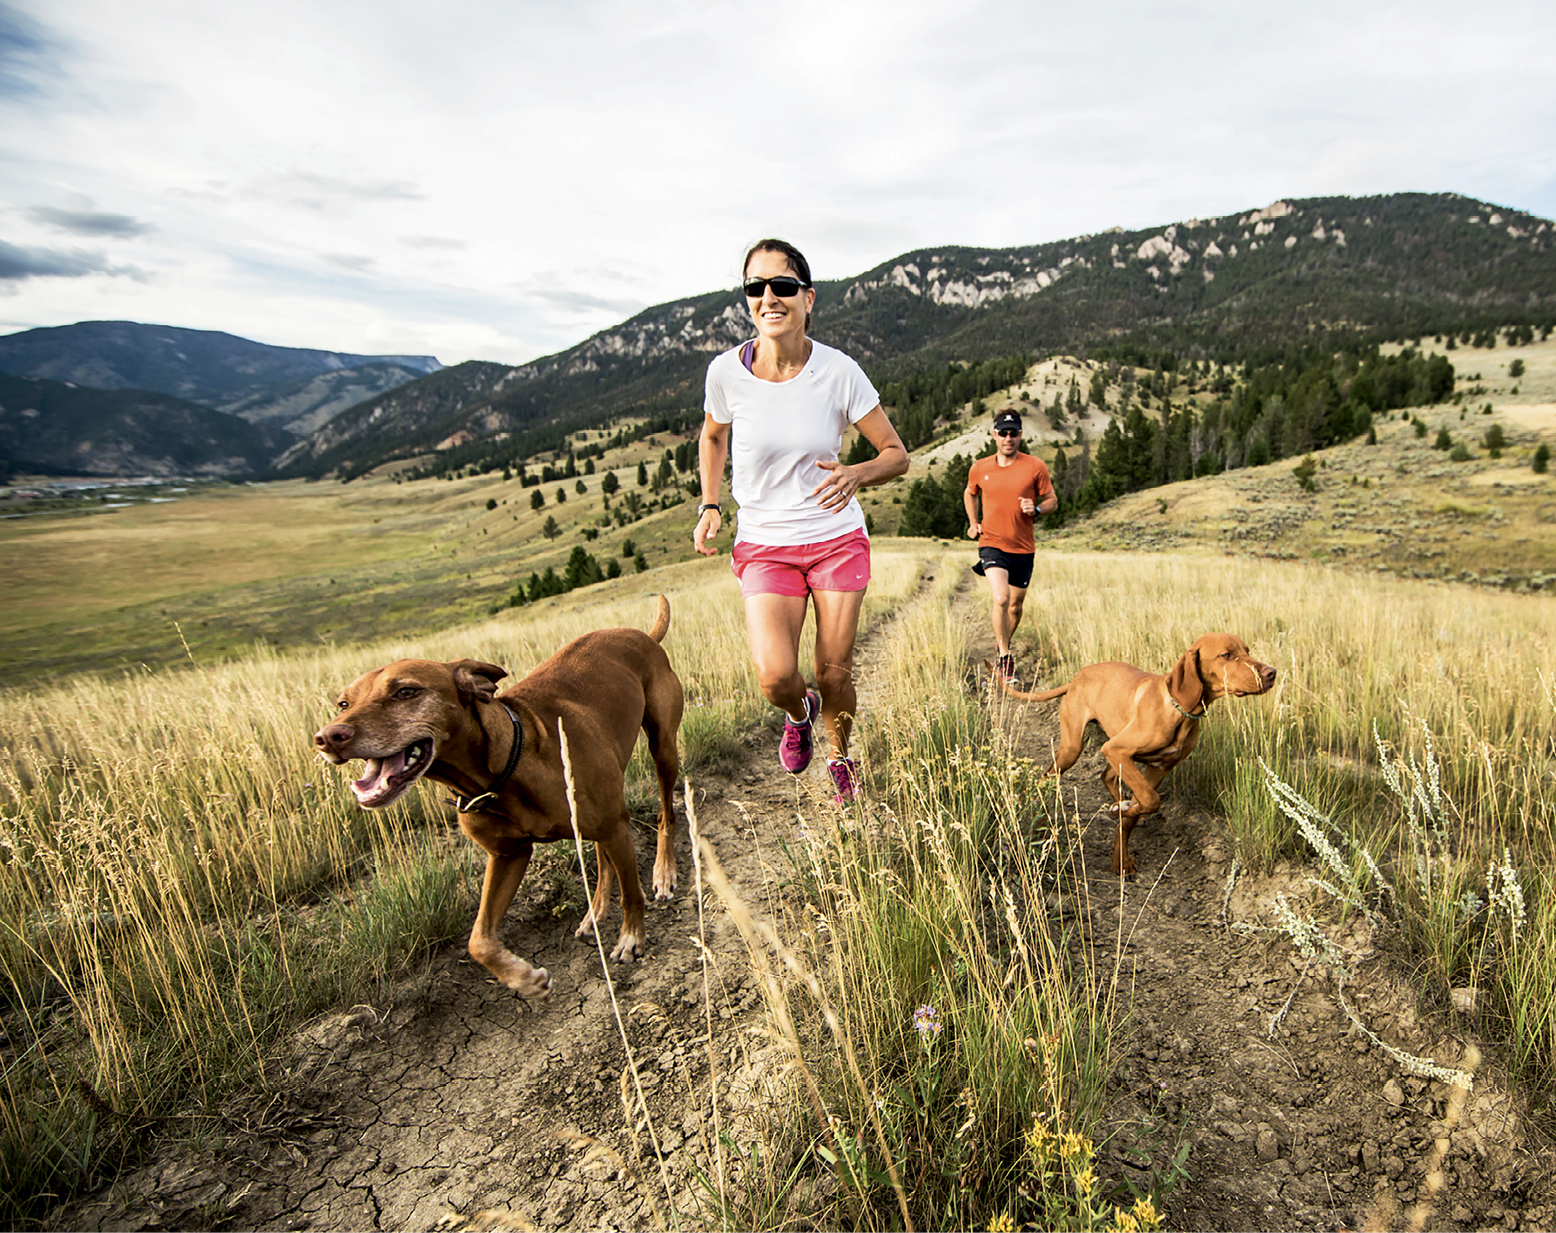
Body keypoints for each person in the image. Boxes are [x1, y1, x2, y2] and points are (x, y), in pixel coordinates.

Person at [694, 239, 909, 803]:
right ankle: (799, 712)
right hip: (765, 544)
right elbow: (714, 434)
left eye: (783, 286)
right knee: (775, 677)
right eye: (756, 287)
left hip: (836, 538)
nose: (770, 297)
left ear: (807, 299)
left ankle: (841, 757)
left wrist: (858, 473)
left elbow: (895, 453)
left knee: (834, 671)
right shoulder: (726, 373)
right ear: (747, 300)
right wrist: (710, 503)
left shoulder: (839, 372)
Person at [963, 409, 1056, 683]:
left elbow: (1053, 501)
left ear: (1020, 435)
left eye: (1013, 433)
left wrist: (1036, 508)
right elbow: (970, 492)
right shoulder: (980, 467)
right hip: (991, 543)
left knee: (1015, 607)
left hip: (1023, 548)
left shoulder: (1035, 466)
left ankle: (1001, 641)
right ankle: (1005, 657)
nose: (1008, 438)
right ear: (994, 435)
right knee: (1001, 598)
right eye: (1003, 433)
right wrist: (973, 522)